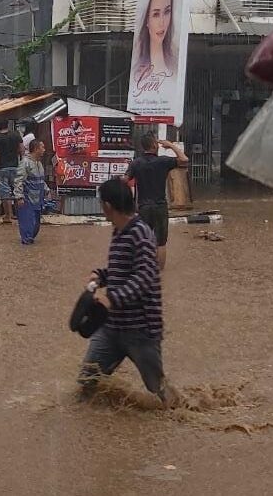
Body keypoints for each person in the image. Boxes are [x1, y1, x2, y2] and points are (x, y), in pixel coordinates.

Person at [78, 177, 169, 406]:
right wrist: (101, 276)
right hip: (112, 328)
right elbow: (123, 269)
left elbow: (146, 276)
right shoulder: (119, 231)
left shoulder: (140, 233)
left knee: (160, 394)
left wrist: (112, 298)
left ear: (107, 206)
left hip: (141, 331)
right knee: (87, 383)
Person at [123, 134, 188, 270]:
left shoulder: (136, 163)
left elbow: (124, 180)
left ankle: (143, 269)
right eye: (157, 143)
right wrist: (170, 145)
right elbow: (184, 159)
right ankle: (159, 275)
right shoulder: (163, 161)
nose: (159, 145)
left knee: (142, 240)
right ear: (153, 146)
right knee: (161, 242)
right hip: (160, 207)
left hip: (143, 208)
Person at [131, 0, 177, 99]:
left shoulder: (175, 66)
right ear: (147, 20)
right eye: (156, 14)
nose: (162, 22)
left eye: (167, 12)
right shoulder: (138, 68)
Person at [14, 140, 50, 245]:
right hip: (27, 199)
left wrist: (47, 190)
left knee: (36, 225)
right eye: (42, 147)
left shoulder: (38, 164)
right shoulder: (25, 163)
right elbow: (18, 180)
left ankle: (29, 239)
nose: (44, 150)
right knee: (27, 223)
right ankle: (26, 242)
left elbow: (41, 180)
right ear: (36, 149)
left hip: (37, 200)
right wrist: (19, 197)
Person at [0, 121, 24, 223]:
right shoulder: (16, 135)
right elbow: (22, 150)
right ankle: (20, 214)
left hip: (1, 169)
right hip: (15, 167)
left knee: (5, 192)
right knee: (17, 190)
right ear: (7, 125)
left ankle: (9, 215)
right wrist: (22, 163)